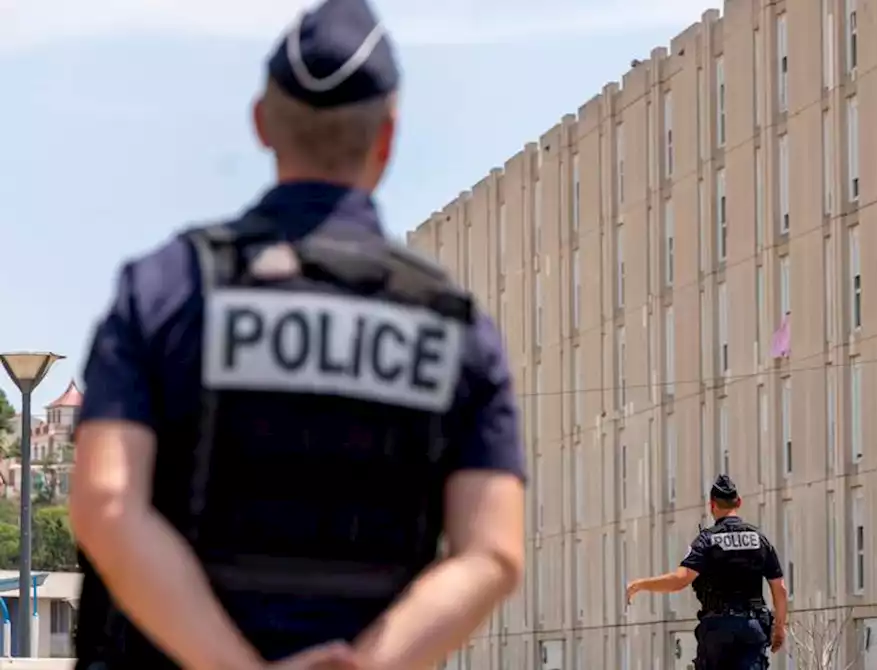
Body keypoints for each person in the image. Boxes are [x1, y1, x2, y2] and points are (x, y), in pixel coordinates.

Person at [67, 1, 526, 668]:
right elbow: (492, 552)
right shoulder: (456, 327)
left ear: (260, 123)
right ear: (388, 136)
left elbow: (107, 502)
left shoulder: (164, 288)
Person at [626, 475, 787, 669]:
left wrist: (640, 584)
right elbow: (780, 589)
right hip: (752, 628)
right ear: (739, 502)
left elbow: (680, 580)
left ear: (712, 505)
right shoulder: (759, 539)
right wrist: (779, 628)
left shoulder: (707, 541)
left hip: (718, 630)